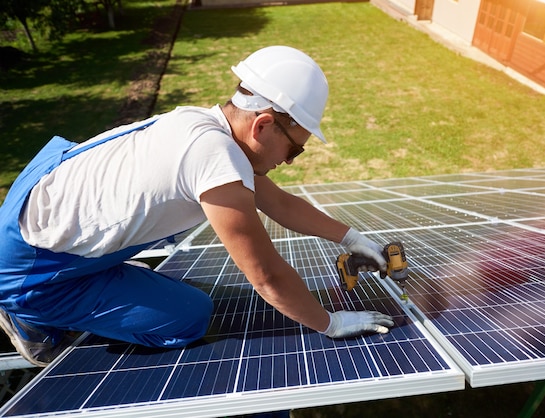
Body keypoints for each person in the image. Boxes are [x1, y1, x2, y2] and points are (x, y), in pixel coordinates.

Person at [0, 45, 394, 368]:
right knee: (187, 317)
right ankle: (29, 318)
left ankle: (101, 269)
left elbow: (278, 202)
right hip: (33, 270)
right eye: (295, 148)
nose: (290, 160)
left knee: (177, 295)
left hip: (33, 209)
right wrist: (330, 322)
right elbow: (266, 277)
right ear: (262, 125)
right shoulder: (214, 159)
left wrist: (351, 238)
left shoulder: (203, 125)